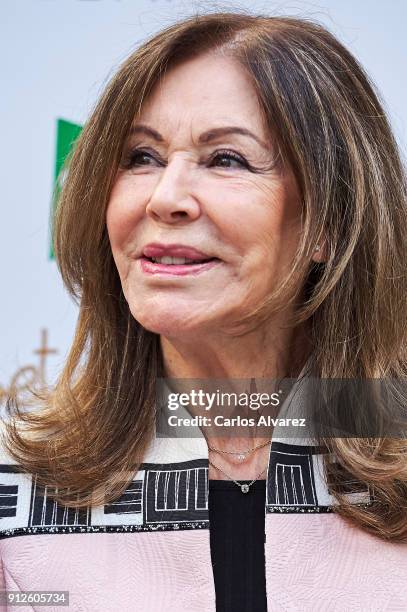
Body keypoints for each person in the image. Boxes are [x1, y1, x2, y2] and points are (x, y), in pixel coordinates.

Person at [1, 11, 406, 612]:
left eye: (227, 160)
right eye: (141, 156)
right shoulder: (18, 484)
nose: (165, 198)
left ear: (330, 221)